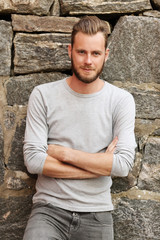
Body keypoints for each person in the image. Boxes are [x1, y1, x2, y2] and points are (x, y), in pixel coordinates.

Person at [23, 15, 136, 240]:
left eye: (95, 53)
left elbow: (122, 165)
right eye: (81, 52)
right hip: (49, 210)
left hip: (97, 213)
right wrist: (100, 165)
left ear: (106, 55)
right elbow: (34, 161)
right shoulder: (43, 95)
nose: (88, 61)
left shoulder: (121, 100)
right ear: (70, 51)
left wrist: (63, 153)